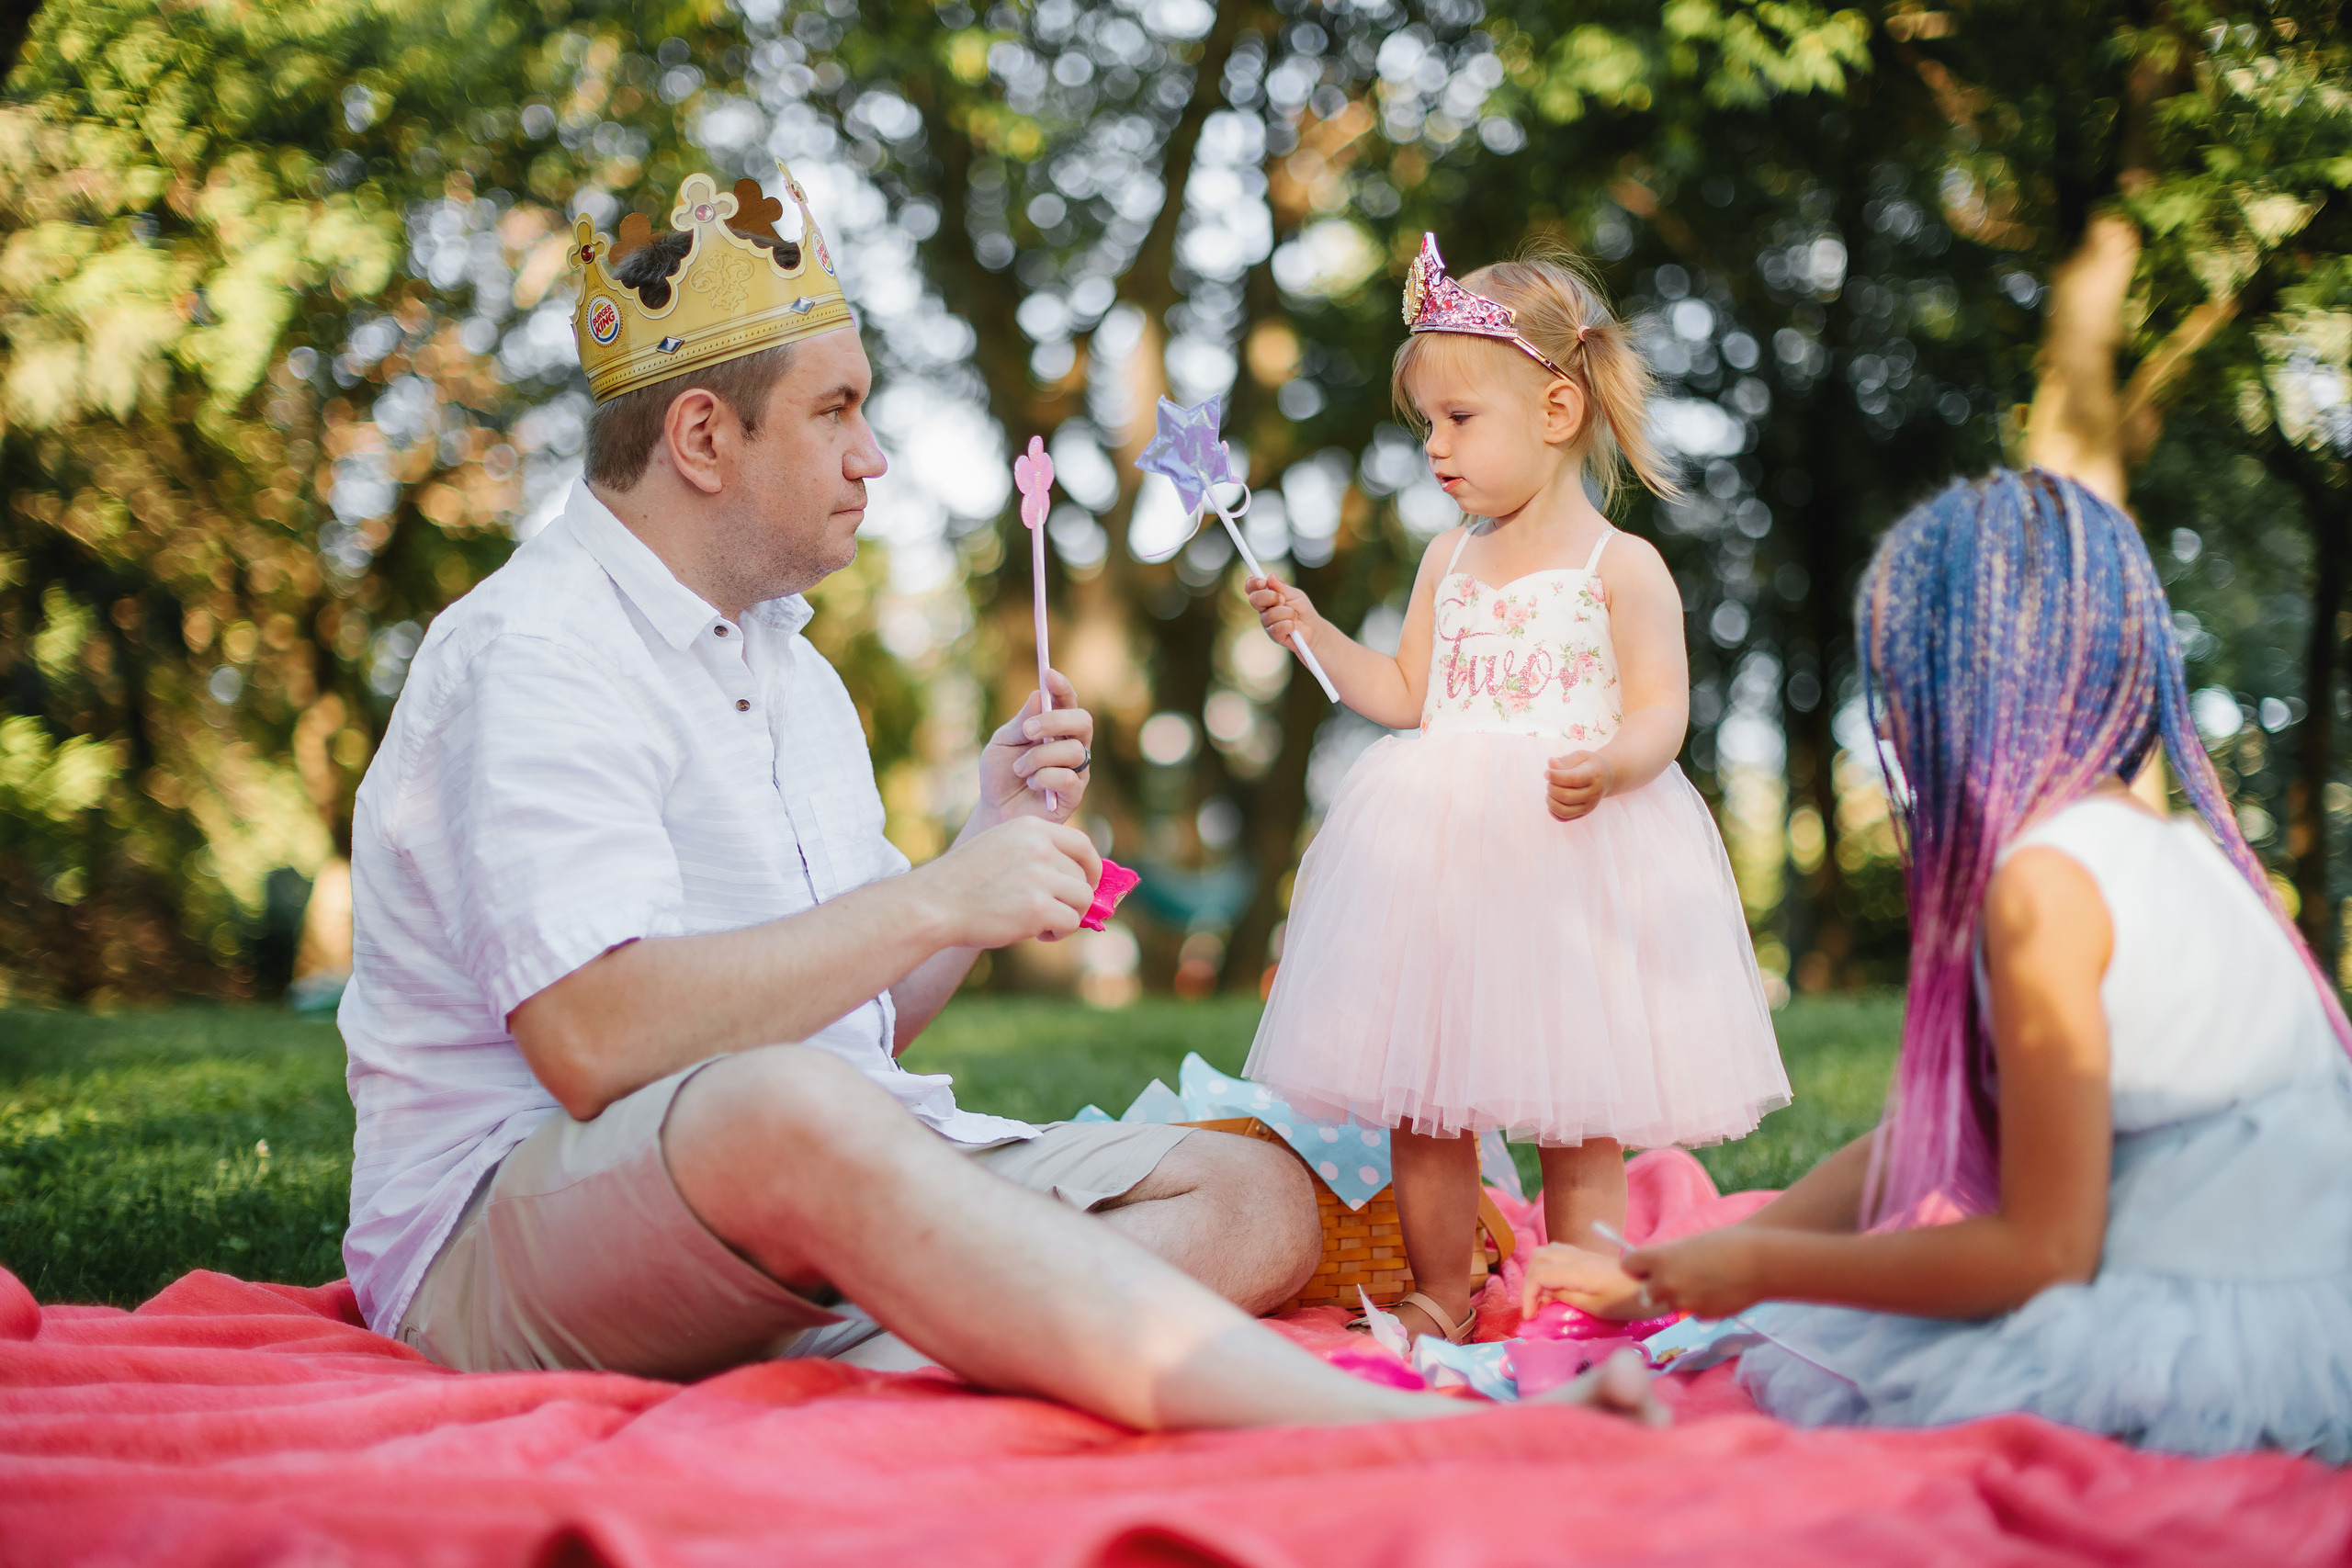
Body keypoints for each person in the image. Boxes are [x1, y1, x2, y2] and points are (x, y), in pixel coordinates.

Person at [338, 164, 1659, 1430]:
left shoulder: (788, 667)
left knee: (1260, 1192)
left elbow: (861, 1023)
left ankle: (923, 1326)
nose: (878, 455)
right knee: (779, 1102)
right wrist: (933, 894)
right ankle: (1369, 1423)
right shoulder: (538, 649)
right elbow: (595, 1039)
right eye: (835, 410)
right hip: (512, 1239)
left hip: (800, 1182)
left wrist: (983, 858)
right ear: (700, 436)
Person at [1524, 468, 2352, 1461]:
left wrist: (1760, 1265)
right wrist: (1681, 1261)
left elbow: (2041, 1254)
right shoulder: (2168, 851)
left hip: (2209, 1347)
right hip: (2310, 1304)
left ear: (1942, 686)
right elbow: (1907, 1148)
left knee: (1832, 1360)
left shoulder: (2043, 888)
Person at [1243, 234, 1791, 1346]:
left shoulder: (1619, 569)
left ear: (1554, 410)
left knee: (1577, 1113)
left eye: (1459, 420)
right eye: (1427, 425)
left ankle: (1580, 1286)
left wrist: (1614, 765)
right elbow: (1404, 694)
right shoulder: (1449, 560)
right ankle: (1443, 1286)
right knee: (1424, 1103)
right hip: (1442, 869)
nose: (1435, 447)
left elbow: (1659, 712)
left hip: (1566, 854)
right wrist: (1314, 635)